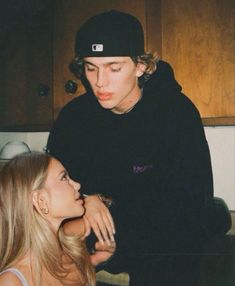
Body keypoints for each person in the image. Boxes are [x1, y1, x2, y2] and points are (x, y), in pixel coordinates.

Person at [47, 10, 230, 285]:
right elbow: (48, 186)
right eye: (91, 67)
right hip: (95, 229)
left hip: (161, 231)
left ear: (141, 66)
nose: (100, 82)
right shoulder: (73, 118)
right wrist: (87, 198)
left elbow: (189, 201)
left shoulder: (175, 113)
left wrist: (104, 204)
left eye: (114, 67)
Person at [0, 152, 115, 286]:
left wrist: (93, 261)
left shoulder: (70, 250)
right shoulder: (12, 282)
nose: (77, 185)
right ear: (41, 201)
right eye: (64, 177)